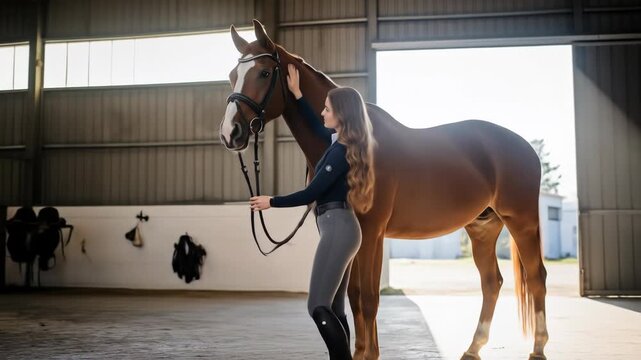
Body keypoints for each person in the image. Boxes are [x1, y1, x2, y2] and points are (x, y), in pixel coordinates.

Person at [249, 64, 376, 359]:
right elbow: (316, 126)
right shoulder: (341, 142)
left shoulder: (340, 151)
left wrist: (272, 201)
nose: (323, 113)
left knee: (317, 305)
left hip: (338, 230)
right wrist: (296, 94)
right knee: (334, 308)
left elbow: (311, 193)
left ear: (341, 116)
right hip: (342, 227)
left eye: (328, 109)